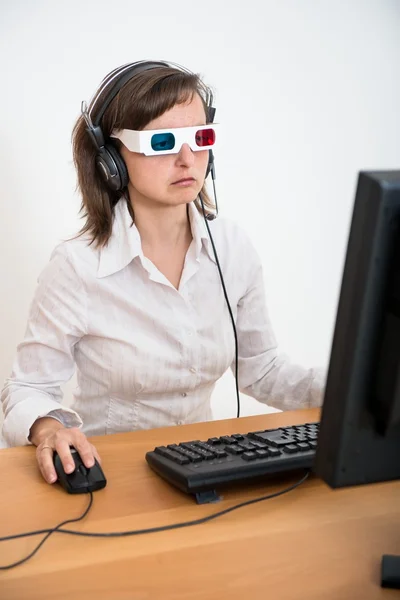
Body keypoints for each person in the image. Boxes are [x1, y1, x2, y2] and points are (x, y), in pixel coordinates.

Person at [1, 60, 325, 485]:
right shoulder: (77, 267)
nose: (187, 158)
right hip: (112, 481)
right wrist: (49, 430)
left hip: (202, 472)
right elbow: (26, 389)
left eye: (200, 138)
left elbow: (260, 369)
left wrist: (357, 392)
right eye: (163, 141)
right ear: (111, 158)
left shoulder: (232, 249)